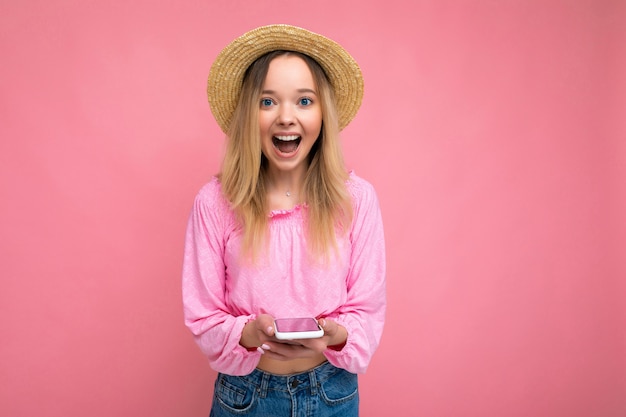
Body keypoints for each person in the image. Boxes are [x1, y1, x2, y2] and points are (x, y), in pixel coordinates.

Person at [182, 24, 386, 417]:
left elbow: (367, 308)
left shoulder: (356, 200)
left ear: (324, 113)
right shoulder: (215, 202)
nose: (286, 118)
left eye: (304, 101)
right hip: (244, 396)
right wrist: (248, 334)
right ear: (248, 114)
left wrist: (335, 335)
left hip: (332, 393)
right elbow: (203, 314)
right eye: (268, 102)